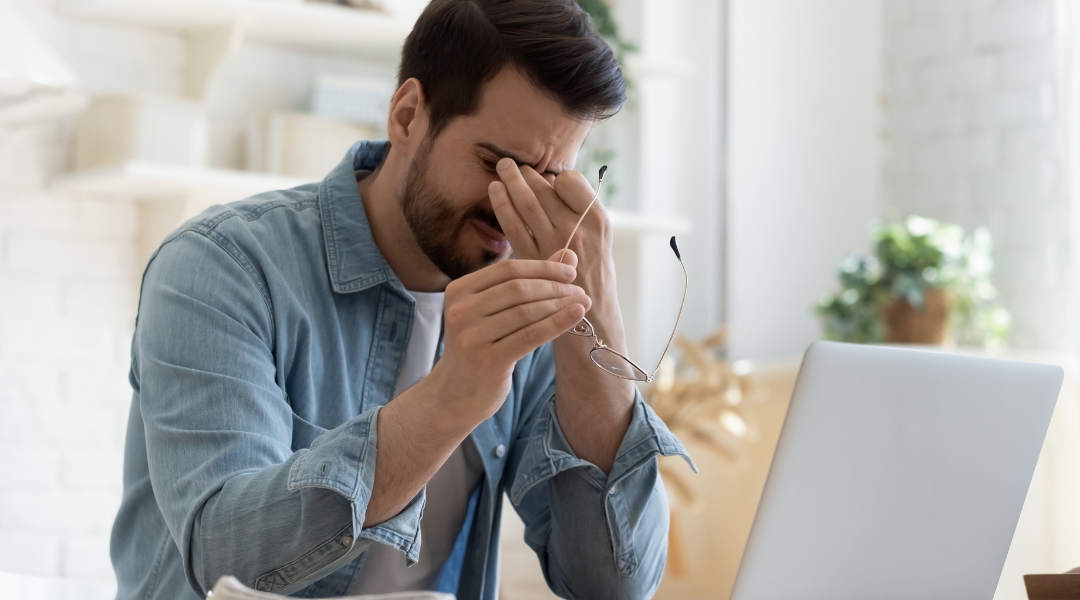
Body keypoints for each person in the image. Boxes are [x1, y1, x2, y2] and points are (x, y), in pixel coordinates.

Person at [109, 0, 691, 598]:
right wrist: (454, 395)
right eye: (500, 163)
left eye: (550, 179)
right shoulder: (221, 267)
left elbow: (613, 586)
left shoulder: (533, 301)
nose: (514, 207)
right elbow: (223, 561)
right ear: (408, 115)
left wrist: (598, 320)